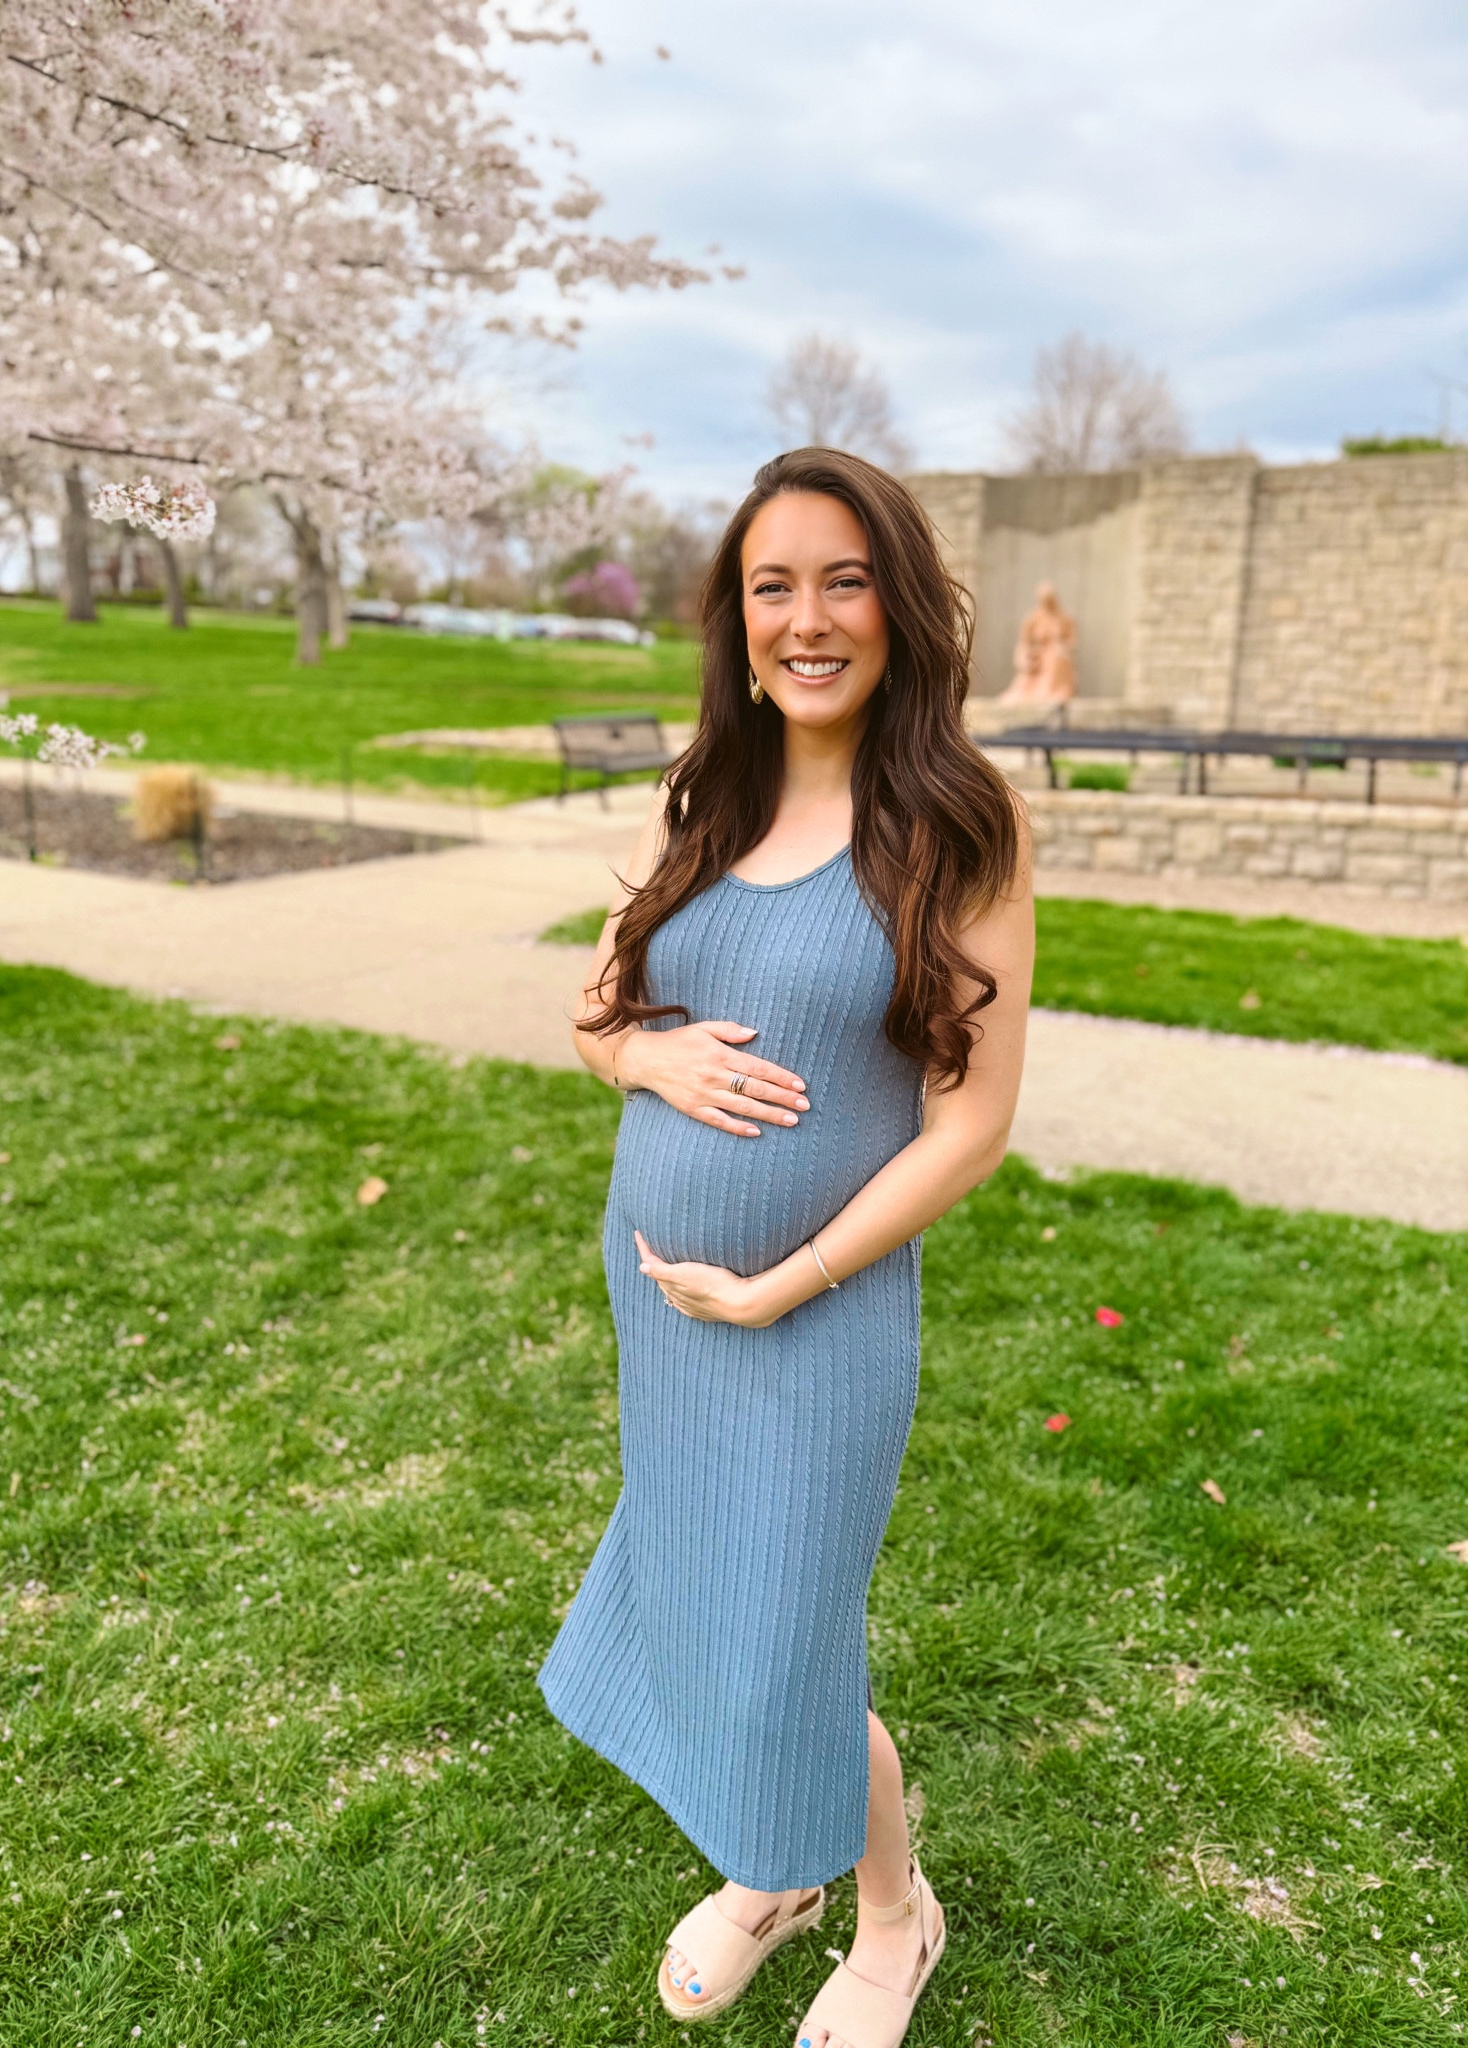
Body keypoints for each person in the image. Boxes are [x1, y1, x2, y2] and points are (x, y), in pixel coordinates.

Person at [539, 446, 1033, 2048]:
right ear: (735, 618)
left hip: (812, 1322)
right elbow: (596, 1012)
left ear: (899, 600)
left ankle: (893, 1913)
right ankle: (779, 1871)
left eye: (844, 578)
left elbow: (970, 1126)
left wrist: (782, 1281)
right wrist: (647, 1060)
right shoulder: (709, 791)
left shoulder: (956, 822)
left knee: (786, 1640)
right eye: (773, 585)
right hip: (668, 1312)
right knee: (705, 1603)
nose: (807, 618)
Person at [996, 580, 1077, 707]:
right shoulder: (1032, 618)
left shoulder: (1065, 618)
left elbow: (1072, 641)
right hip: (1038, 653)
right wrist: (1026, 655)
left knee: (1056, 657)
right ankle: (1033, 691)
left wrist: (1062, 646)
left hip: (1057, 652)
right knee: (1032, 663)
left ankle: (1052, 691)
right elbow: (1024, 641)